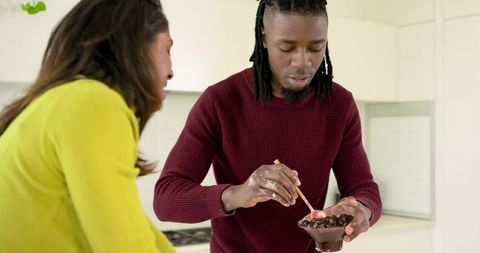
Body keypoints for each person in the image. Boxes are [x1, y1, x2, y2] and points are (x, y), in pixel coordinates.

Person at [153, 0, 381, 252]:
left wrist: (361, 210)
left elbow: (364, 189)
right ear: (263, 37)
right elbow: (166, 199)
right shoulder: (220, 101)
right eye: (287, 47)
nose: (302, 62)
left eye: (316, 48)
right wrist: (241, 193)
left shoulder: (340, 104)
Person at [0, 0, 175, 252]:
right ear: (135, 47)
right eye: (167, 50)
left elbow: (136, 227)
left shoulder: (63, 100)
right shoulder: (93, 104)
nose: (171, 71)